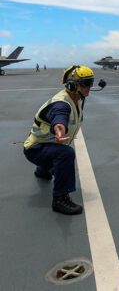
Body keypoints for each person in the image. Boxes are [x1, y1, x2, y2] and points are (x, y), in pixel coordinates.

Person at [23, 65, 95, 215]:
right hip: (36, 149)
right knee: (66, 154)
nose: (89, 87)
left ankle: (42, 170)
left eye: (91, 82)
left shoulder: (76, 98)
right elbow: (59, 116)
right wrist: (59, 128)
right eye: (86, 83)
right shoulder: (62, 103)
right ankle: (60, 199)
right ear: (72, 85)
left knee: (57, 149)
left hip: (41, 146)